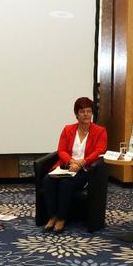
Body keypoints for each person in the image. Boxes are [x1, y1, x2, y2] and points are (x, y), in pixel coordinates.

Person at [42, 97, 108, 233]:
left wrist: (82, 163)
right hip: (67, 166)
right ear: (76, 114)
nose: (86, 114)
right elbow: (61, 150)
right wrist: (72, 162)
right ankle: (53, 216)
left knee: (65, 183)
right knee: (47, 180)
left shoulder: (100, 131)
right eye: (82, 111)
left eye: (88, 111)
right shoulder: (68, 129)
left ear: (92, 113)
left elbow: (99, 151)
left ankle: (61, 218)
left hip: (85, 170)